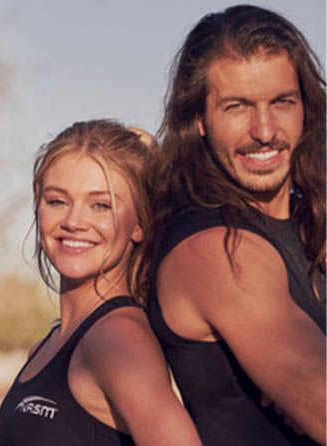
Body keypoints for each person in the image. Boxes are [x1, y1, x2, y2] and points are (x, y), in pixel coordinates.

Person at [145, 5, 326, 445]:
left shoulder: (310, 227)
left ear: (305, 107)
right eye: (237, 107)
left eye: (282, 102)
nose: (264, 131)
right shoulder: (214, 250)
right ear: (200, 120)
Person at [0, 121, 200, 445]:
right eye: (57, 201)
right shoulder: (48, 346)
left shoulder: (117, 338)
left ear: (140, 224)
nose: (74, 221)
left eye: (101, 205)